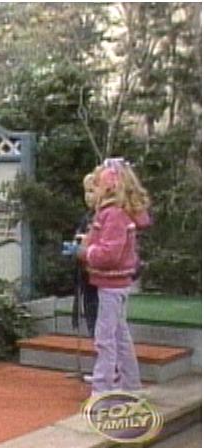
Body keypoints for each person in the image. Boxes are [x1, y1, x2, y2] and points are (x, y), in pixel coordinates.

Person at [77, 158, 151, 396]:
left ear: (108, 188)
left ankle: (102, 391)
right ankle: (131, 386)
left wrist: (86, 252)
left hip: (111, 284)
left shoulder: (113, 215)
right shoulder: (117, 214)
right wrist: (89, 242)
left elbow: (109, 254)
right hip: (115, 284)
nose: (93, 192)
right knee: (119, 336)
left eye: (97, 186)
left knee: (105, 339)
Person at [72, 173, 99, 339]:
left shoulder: (105, 217)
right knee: (91, 317)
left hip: (101, 278)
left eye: (91, 191)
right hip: (87, 276)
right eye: (85, 192)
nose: (88, 196)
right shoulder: (87, 216)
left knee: (100, 323)